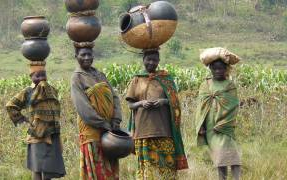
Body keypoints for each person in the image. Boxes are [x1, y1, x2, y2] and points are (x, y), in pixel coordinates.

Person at [125, 49, 188, 180]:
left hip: (164, 131)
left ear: (159, 61)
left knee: (167, 168)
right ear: (143, 60)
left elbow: (175, 102)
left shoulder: (166, 79)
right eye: (148, 59)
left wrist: (164, 101)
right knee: (148, 171)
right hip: (143, 132)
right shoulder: (136, 79)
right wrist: (141, 103)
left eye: (154, 60)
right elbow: (131, 105)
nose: (151, 62)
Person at [6, 61, 66, 180]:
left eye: (43, 74)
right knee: (37, 168)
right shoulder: (27, 92)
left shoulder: (52, 90)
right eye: (37, 75)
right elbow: (10, 105)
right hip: (37, 136)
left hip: (52, 135)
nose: (41, 78)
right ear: (31, 77)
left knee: (48, 170)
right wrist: (23, 120)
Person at [70, 42, 122, 180]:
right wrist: (102, 123)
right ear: (76, 56)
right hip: (91, 130)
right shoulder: (77, 77)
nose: (87, 57)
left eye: (89, 54)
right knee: (96, 168)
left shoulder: (100, 75)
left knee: (109, 166)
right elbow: (83, 107)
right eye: (83, 55)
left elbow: (114, 97)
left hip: (109, 130)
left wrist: (116, 120)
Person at [196, 47, 242, 180]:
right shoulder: (205, 85)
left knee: (233, 154)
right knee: (219, 155)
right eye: (214, 68)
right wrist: (201, 126)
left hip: (225, 125)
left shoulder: (230, 85)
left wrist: (224, 121)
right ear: (210, 69)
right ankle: (222, 178)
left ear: (226, 69)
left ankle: (236, 178)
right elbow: (201, 108)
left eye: (220, 68)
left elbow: (233, 106)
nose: (217, 71)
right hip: (211, 127)